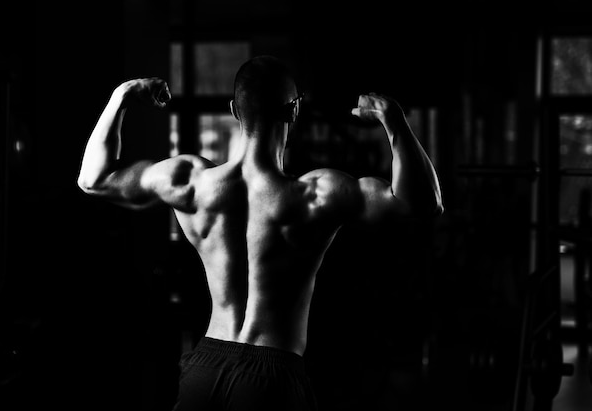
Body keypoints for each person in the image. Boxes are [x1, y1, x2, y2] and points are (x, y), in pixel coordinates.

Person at [77, 55, 443, 411]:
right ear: (294, 110)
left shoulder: (190, 182)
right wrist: (393, 120)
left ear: (235, 110)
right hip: (273, 377)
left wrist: (120, 97)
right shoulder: (316, 195)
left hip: (205, 368)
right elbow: (423, 204)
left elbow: (93, 179)